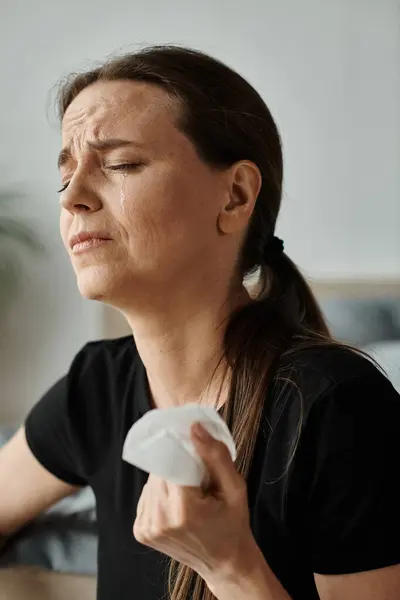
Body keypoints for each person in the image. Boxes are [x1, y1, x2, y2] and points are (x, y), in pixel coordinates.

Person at [0, 45, 399, 600]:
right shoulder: (97, 386)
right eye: (65, 176)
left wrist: (231, 566)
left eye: (120, 165)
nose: (73, 199)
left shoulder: (336, 407)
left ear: (235, 196)